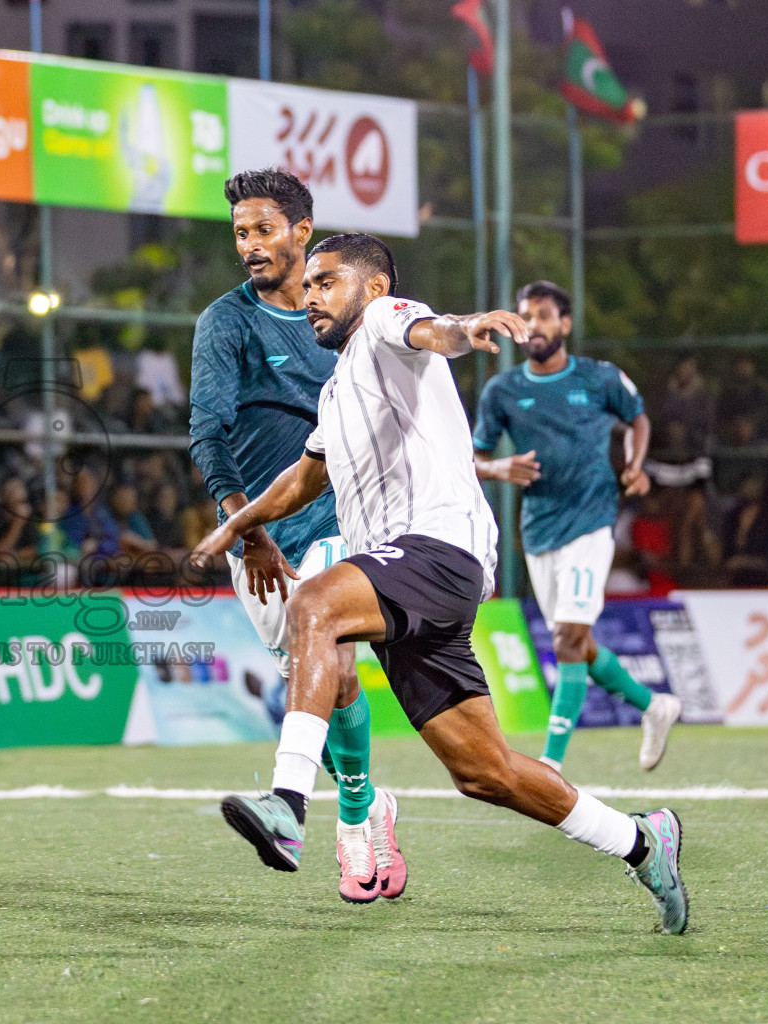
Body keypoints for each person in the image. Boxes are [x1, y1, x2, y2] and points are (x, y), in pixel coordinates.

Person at [196, 233, 689, 935]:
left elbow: (436, 331)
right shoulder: (336, 392)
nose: (310, 298)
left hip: (437, 546)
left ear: (370, 287)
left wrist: (468, 326)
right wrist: (237, 522)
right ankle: (643, 842)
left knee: (315, 603)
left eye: (326, 283)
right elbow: (304, 480)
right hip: (413, 580)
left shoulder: (387, 321)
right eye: (306, 289)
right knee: (484, 771)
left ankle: (288, 804)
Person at [187, 168, 397, 902]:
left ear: (302, 233)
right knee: (320, 679)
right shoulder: (225, 323)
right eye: (241, 232)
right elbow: (206, 435)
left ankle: (342, 823)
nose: (250, 245)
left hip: (343, 515)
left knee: (331, 648)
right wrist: (247, 529)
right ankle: (370, 802)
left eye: (264, 230)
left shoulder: (341, 316)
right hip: (257, 531)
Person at [472, 280, 683, 774]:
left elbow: (637, 418)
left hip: (591, 521)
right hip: (539, 528)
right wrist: (498, 469)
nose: (534, 325)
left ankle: (552, 764)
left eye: (544, 315)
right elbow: (475, 456)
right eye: (526, 316)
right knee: (578, 644)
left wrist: (634, 464)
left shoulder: (598, 377)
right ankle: (654, 707)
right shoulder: (503, 391)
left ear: (565, 324)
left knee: (568, 637)